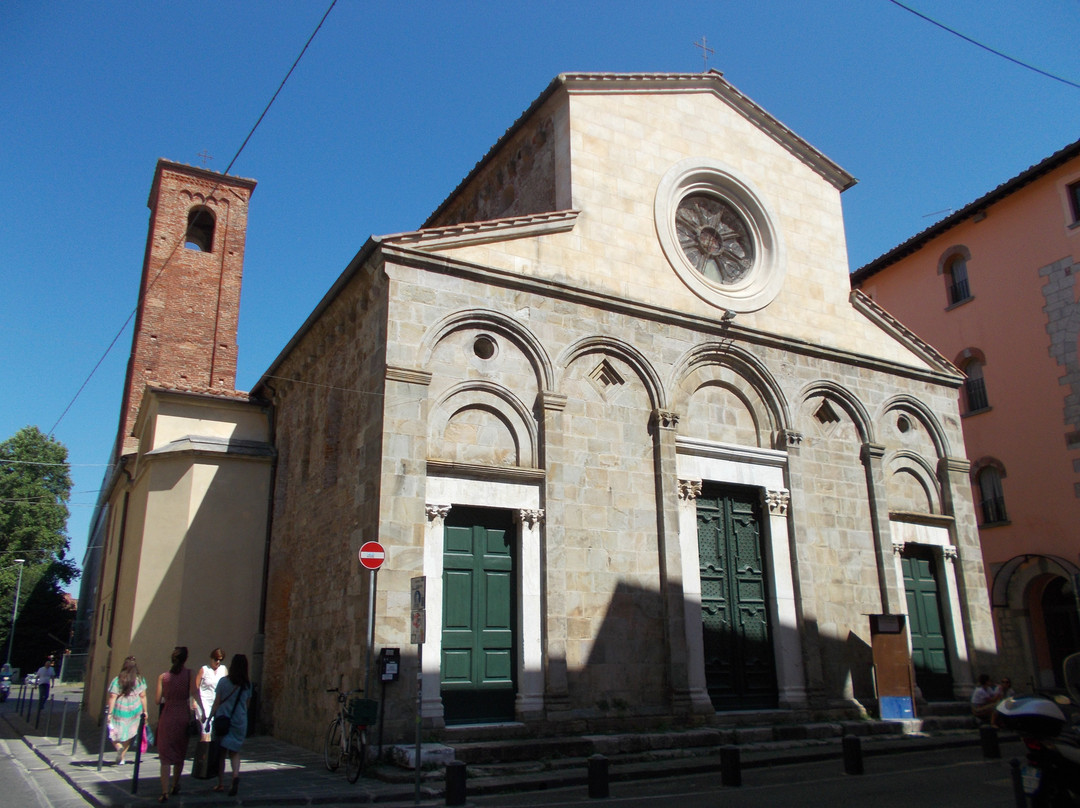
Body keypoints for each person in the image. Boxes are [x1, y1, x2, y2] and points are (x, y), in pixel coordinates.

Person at [154, 647, 196, 803]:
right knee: (179, 752)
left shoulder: (163, 677)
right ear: (185, 659)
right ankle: (175, 785)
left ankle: (164, 791)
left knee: (164, 756)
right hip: (182, 715)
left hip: (167, 715)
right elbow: (194, 692)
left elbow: (158, 700)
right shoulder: (189, 674)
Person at [210, 653, 252, 796]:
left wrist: (209, 717)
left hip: (223, 720)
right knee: (234, 752)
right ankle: (235, 775)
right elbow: (247, 705)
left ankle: (220, 783)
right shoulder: (247, 685)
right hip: (240, 721)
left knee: (221, 753)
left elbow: (217, 703)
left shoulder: (223, 682)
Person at [105, 656, 148, 765]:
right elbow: (143, 696)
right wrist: (145, 711)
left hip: (120, 708)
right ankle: (122, 757)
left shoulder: (118, 680)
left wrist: (110, 713)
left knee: (113, 730)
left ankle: (118, 746)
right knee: (129, 733)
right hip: (135, 708)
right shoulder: (140, 680)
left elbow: (112, 696)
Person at [193, 648, 227, 724]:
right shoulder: (204, 669)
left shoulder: (223, 669)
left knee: (214, 730)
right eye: (216, 659)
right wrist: (194, 701)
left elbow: (227, 687)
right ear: (211, 658)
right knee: (205, 730)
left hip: (217, 704)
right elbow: (196, 686)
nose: (218, 662)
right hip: (204, 703)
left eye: (220, 660)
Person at [34, 656, 56, 720]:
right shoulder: (41, 669)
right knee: (41, 695)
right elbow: (37, 676)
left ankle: (42, 704)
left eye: (49, 665)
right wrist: (36, 684)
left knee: (46, 695)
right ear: (45, 665)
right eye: (47, 665)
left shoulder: (51, 669)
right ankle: (40, 706)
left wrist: (53, 684)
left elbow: (52, 676)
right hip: (41, 683)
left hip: (47, 683)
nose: (48, 666)